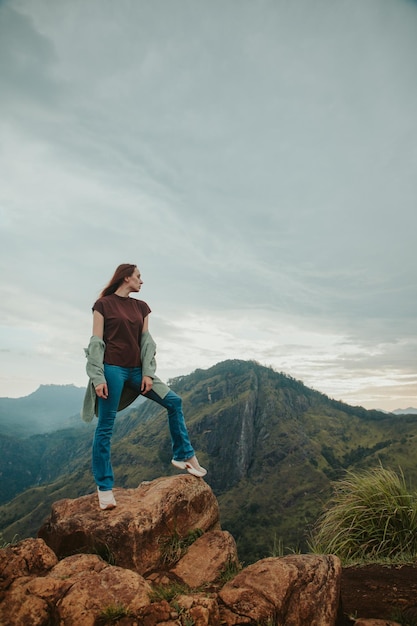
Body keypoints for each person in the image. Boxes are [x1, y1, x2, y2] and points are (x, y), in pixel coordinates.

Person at [82, 263, 207, 510]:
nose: (142, 280)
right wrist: (98, 378)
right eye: (138, 276)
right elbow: (96, 343)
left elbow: (147, 343)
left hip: (138, 370)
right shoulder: (103, 305)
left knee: (174, 402)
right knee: (105, 428)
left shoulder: (142, 307)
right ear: (126, 277)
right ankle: (105, 488)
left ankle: (184, 455)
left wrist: (148, 373)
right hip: (112, 370)